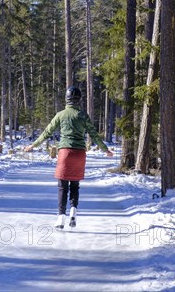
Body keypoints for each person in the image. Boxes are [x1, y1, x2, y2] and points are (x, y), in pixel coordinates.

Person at [24, 86, 113, 229]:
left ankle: (60, 218)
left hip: (65, 153)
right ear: (79, 100)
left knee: (62, 187)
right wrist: (105, 149)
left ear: (67, 99)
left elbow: (47, 132)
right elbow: (94, 134)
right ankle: (73, 211)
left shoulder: (60, 115)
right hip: (79, 154)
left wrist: (33, 145)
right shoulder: (83, 115)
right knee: (75, 186)